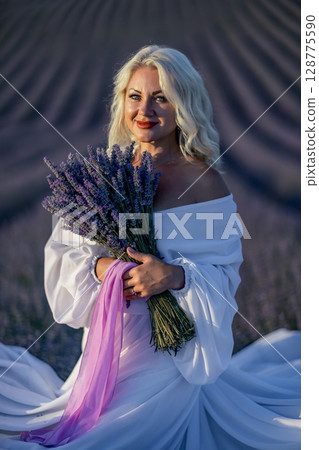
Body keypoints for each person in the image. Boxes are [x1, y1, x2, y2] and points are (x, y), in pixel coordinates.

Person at [0, 45, 300, 449]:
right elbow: (64, 255)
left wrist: (173, 277)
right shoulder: (103, 175)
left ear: (182, 106)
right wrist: (105, 268)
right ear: (122, 101)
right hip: (108, 345)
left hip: (171, 358)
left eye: (161, 98)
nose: (145, 110)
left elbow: (225, 275)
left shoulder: (205, 183)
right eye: (135, 96)